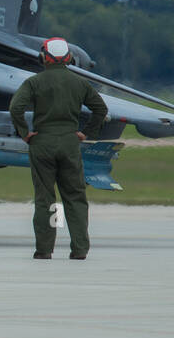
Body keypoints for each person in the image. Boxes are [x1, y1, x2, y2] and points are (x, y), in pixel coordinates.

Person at [8, 37, 109, 260]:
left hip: (41, 143)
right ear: (68, 58)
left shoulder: (34, 82)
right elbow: (100, 109)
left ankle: (44, 250)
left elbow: (16, 108)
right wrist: (86, 133)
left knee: (45, 198)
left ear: (44, 57)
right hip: (70, 144)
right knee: (74, 197)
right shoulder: (80, 83)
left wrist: (25, 133)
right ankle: (80, 250)